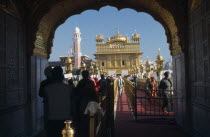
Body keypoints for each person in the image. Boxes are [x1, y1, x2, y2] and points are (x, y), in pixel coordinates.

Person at [44, 66, 73, 137]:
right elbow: (72, 105)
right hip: (66, 119)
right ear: (62, 76)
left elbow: (46, 107)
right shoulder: (69, 88)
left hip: (52, 119)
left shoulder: (47, 89)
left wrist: (45, 121)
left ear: (52, 76)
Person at [75, 70, 97, 137]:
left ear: (82, 75)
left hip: (82, 102)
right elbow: (94, 93)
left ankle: (83, 131)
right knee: (89, 117)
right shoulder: (91, 82)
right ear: (88, 75)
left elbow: (77, 92)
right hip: (89, 101)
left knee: (83, 117)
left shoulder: (81, 82)